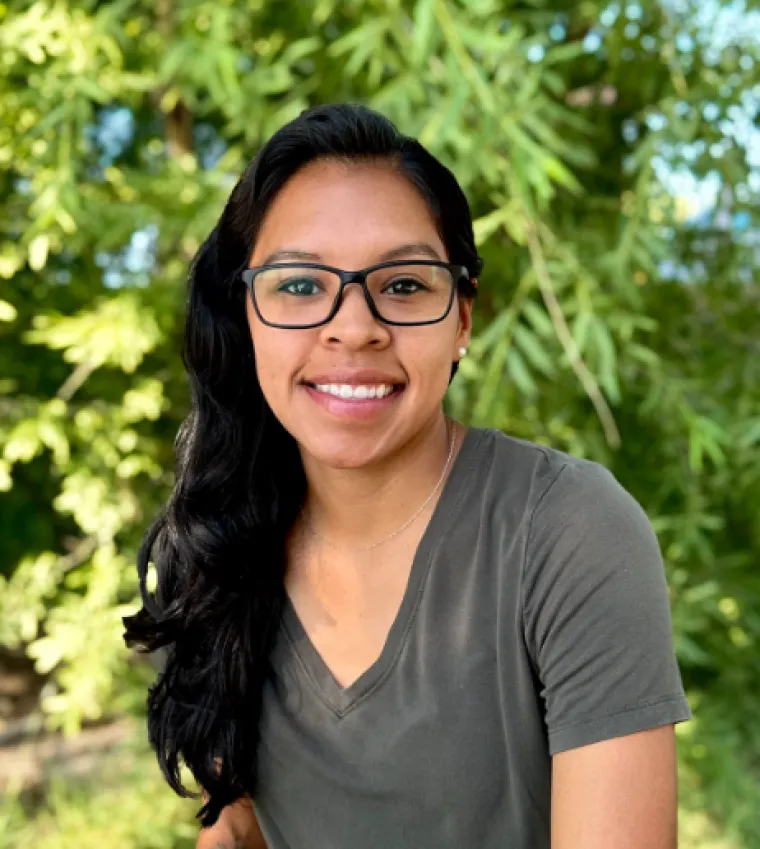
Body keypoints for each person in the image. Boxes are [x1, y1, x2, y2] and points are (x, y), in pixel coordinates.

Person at [123, 102, 692, 849]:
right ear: (245, 313)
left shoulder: (566, 531)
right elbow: (236, 824)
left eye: (403, 285)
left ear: (462, 319)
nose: (353, 327)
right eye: (300, 285)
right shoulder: (218, 549)